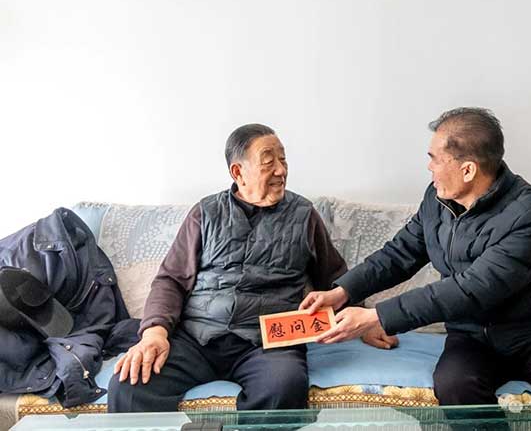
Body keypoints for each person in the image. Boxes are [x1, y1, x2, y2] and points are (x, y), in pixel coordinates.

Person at [300, 107, 531, 405]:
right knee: (454, 387)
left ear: (468, 169)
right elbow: (400, 253)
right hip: (472, 336)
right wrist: (343, 292)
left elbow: (472, 288)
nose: (429, 167)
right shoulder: (436, 199)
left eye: (435, 159)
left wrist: (376, 316)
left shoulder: (529, 214)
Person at [108, 124, 351, 412]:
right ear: (238, 172)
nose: (281, 170)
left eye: (283, 159)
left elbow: (336, 278)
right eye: (268, 161)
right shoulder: (205, 213)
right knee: (130, 385)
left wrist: (364, 319)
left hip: (268, 344)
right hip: (196, 338)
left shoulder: (304, 215)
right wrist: (155, 333)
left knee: (284, 386)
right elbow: (171, 280)